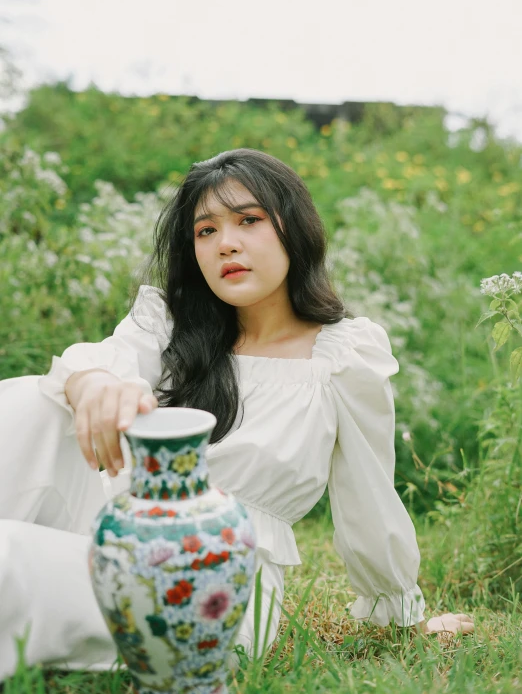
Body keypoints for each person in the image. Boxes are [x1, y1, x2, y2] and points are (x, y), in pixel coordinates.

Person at [0, 148, 474, 680]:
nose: (226, 243)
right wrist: (94, 382)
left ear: (292, 228)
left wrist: (402, 615)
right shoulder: (170, 326)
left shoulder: (342, 358)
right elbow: (101, 361)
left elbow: (370, 497)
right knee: (30, 400)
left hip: (219, 581)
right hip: (118, 527)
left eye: (248, 221)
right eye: (205, 231)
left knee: (11, 562)